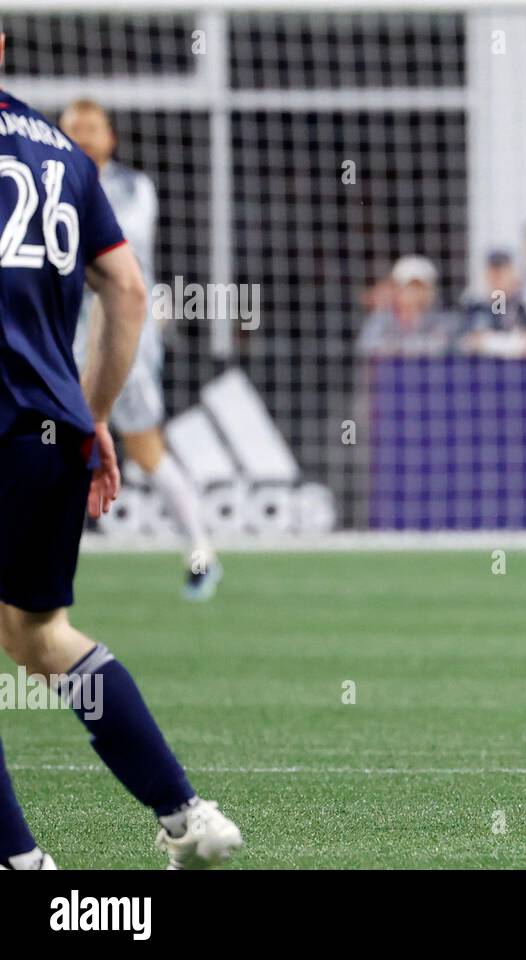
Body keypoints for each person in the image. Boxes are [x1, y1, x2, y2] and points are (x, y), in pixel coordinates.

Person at [0, 31, 242, 869]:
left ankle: (22, 863)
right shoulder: (62, 155)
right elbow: (127, 290)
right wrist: (91, 414)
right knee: (38, 637)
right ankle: (187, 815)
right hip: (52, 427)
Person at [59, 98, 221, 600]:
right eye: (73, 130)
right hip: (59, 334)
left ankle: (200, 553)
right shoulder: (42, 184)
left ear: (111, 138)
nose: (83, 137)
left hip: (121, 338)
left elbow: (113, 248)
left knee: (144, 446)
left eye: (92, 128)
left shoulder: (133, 189)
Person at [357, 255, 460, 355]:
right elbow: (366, 346)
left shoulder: (443, 318)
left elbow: (449, 345)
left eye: (422, 287)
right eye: (411, 287)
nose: (417, 293)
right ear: (396, 288)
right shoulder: (382, 317)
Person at [460, 250, 526, 358]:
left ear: (512, 273)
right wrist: (517, 343)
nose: (497, 275)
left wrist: (488, 342)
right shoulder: (475, 307)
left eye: (502, 270)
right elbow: (466, 343)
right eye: (493, 270)